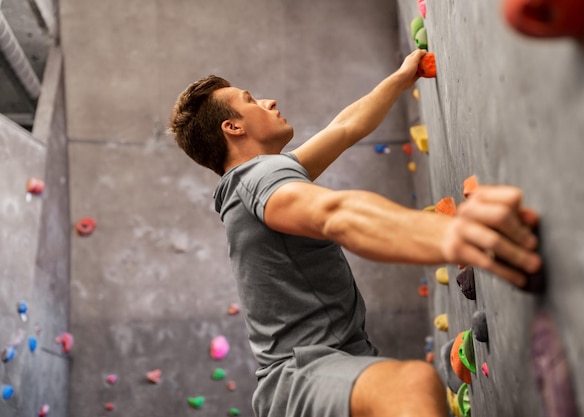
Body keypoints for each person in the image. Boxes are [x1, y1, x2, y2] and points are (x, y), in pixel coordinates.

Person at [169, 49, 542, 417]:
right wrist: (455, 235)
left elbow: (344, 129)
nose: (268, 101)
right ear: (233, 127)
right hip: (300, 376)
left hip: (330, 365)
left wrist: (400, 79)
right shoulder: (257, 179)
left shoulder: (261, 180)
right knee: (409, 384)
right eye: (250, 100)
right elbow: (336, 214)